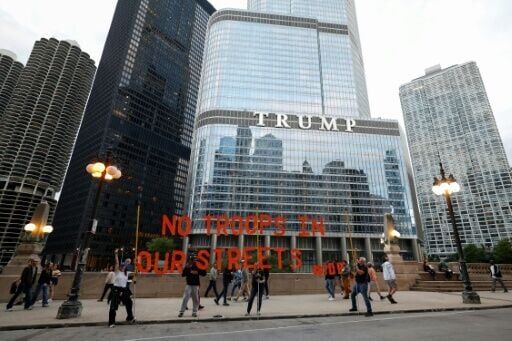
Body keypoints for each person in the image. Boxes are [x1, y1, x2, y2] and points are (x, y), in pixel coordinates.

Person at [109, 249, 135, 328]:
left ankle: (130, 317)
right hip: (116, 289)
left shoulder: (126, 273)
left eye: (123, 266)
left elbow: (134, 275)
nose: (122, 267)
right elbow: (117, 262)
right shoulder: (117, 272)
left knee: (129, 303)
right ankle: (111, 322)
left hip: (124, 290)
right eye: (121, 266)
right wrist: (116, 254)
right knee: (113, 306)